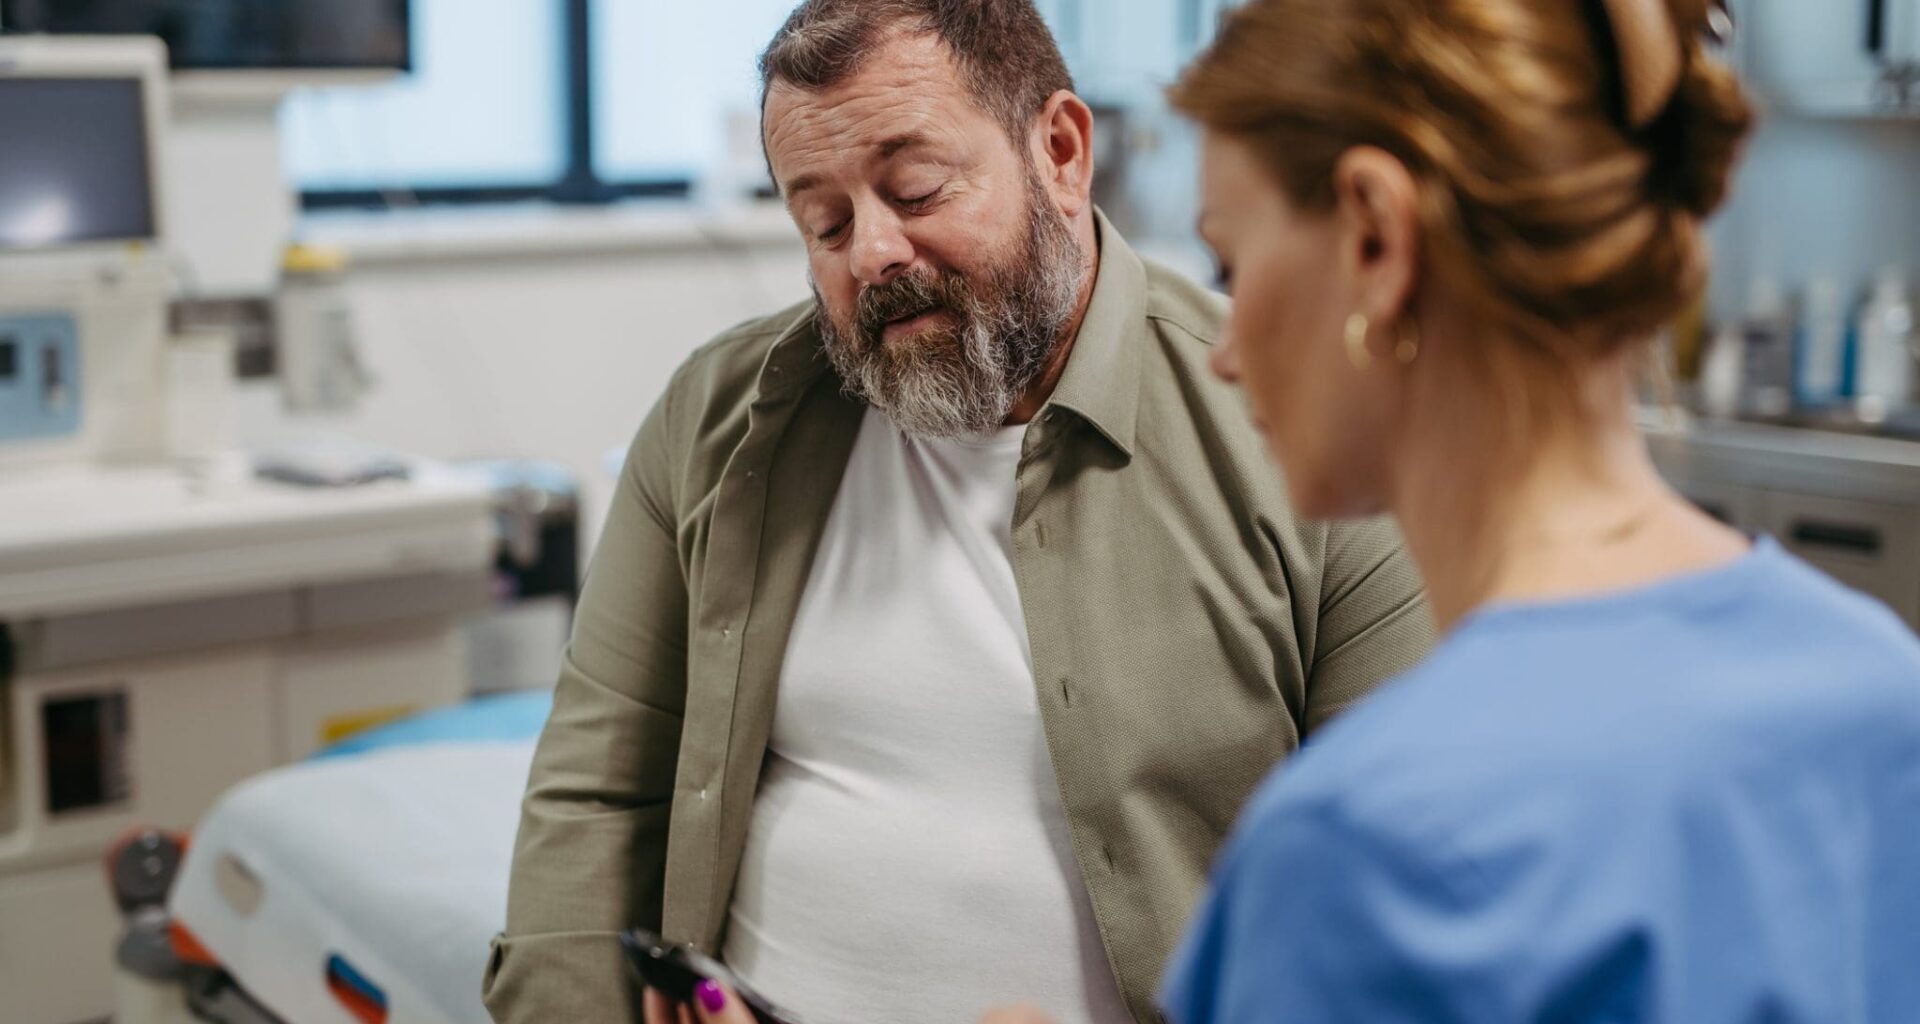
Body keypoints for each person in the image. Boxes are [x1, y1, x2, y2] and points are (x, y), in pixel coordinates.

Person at [660, 0, 1920, 1021]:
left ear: (1374, 240)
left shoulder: (1366, 847)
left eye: (1233, 260)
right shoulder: (1877, 685)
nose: (1220, 342)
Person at [481, 2, 1434, 1023]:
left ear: (1061, 150)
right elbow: (595, 805)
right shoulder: (717, 422)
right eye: (825, 224)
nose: (874, 254)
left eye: (916, 189)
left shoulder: (1305, 436)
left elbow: (1393, 922)